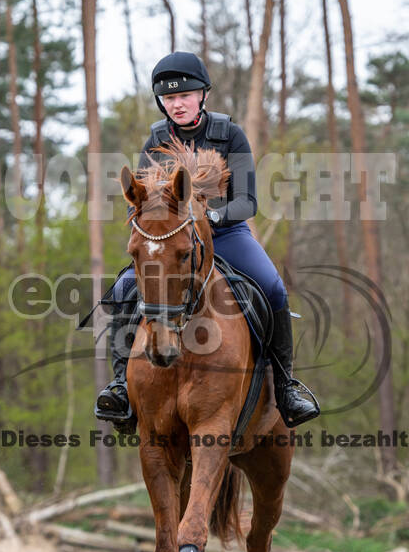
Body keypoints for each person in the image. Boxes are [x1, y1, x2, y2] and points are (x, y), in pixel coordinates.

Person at [96, 51, 319, 428]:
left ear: (203, 95)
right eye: (169, 99)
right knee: (120, 291)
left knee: (274, 288)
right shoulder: (154, 140)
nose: (176, 104)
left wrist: (209, 216)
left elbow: (248, 201)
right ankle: (120, 385)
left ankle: (286, 387)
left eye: (184, 95)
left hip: (225, 233)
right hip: (171, 242)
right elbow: (145, 200)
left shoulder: (230, 134)